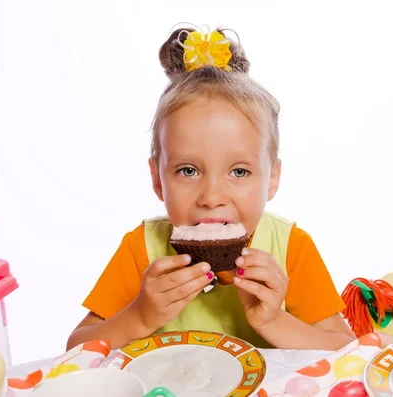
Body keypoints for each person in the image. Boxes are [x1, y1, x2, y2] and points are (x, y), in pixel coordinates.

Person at [67, 24, 355, 351]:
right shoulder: (141, 250)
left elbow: (346, 350)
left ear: (272, 178)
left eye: (239, 171)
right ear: (158, 179)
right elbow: (75, 349)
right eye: (188, 170)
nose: (212, 198)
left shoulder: (290, 249)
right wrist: (141, 316)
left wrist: (274, 321)